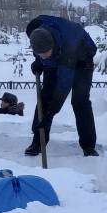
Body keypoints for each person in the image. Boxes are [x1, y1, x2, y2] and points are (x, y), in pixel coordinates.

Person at [25, 15, 99, 157]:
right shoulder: (39, 33)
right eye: (40, 54)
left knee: (80, 102)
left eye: (45, 54)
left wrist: (49, 114)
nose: (43, 56)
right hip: (58, 56)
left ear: (52, 45)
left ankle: (88, 146)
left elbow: (63, 87)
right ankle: (38, 142)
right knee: (45, 97)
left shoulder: (67, 48)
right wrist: (39, 62)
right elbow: (40, 50)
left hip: (82, 60)